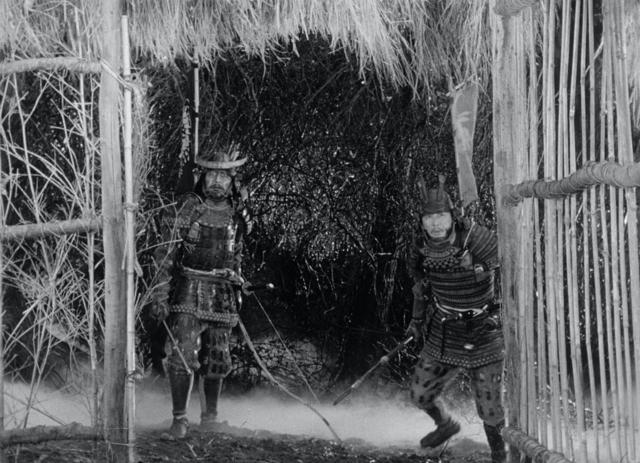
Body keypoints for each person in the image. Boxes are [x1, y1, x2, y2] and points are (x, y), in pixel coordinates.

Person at [151, 143, 251, 439]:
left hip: (222, 295)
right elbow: (164, 256)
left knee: (218, 359)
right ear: (202, 177)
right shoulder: (187, 209)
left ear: (232, 181)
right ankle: (179, 419)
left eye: (223, 176)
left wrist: (239, 282)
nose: (217, 181)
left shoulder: (237, 215)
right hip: (189, 291)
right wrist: (159, 295)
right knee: (183, 355)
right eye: (212, 175)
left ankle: (210, 418)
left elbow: (236, 254)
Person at [406, 176, 506, 463]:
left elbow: (507, 261)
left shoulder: (475, 237)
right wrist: (416, 320)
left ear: (452, 216)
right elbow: (420, 285)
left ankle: (500, 455)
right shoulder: (419, 246)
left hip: (484, 330)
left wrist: (478, 267)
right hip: (445, 329)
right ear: (422, 222)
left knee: (490, 408)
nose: (435, 223)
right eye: (429, 218)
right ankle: (445, 424)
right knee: (420, 393)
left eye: (440, 216)